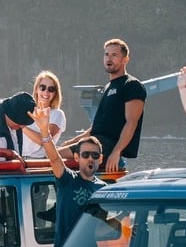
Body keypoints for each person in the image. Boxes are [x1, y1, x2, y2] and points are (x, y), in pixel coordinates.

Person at [61, 38, 146, 173]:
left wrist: (116, 152)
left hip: (107, 145)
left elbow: (132, 122)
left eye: (114, 55)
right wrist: (73, 141)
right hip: (95, 140)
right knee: (55, 152)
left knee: (53, 156)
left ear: (125, 59)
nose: (109, 58)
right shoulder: (107, 87)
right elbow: (97, 127)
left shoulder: (131, 85)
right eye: (106, 54)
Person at [31, 106, 104, 247]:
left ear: (100, 159)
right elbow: (54, 159)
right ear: (76, 157)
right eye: (85, 155)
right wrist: (45, 132)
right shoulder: (68, 180)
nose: (90, 159)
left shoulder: (103, 189)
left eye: (95, 156)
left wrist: (125, 228)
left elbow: (106, 219)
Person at [21, 71, 66, 158]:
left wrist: (21, 126)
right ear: (36, 89)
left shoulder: (57, 114)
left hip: (39, 161)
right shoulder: (26, 110)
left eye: (51, 89)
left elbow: (44, 140)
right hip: (19, 158)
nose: (46, 92)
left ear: (55, 93)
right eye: (42, 87)